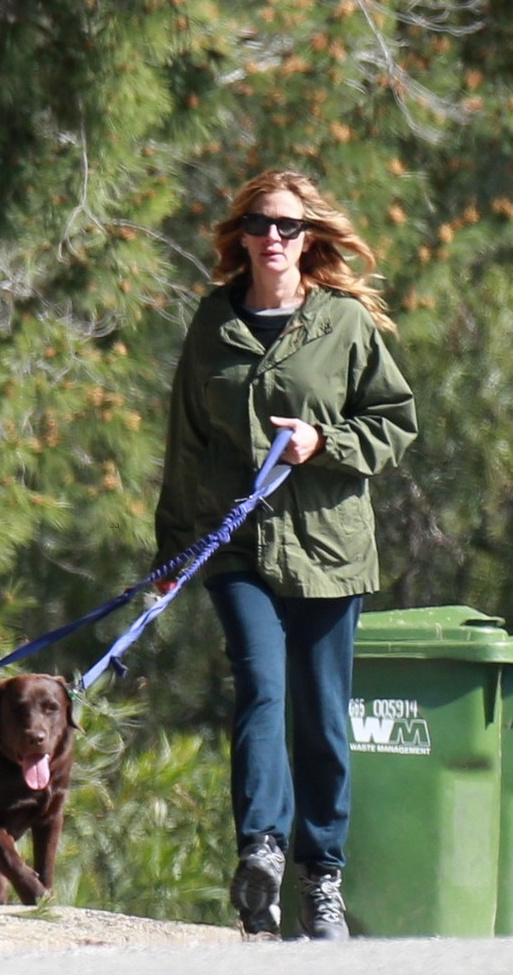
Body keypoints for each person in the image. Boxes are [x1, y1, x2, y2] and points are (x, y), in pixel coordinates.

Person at [152, 168, 417, 940]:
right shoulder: (212, 323)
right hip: (235, 548)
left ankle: (320, 877)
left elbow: (395, 423)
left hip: (330, 549)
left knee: (322, 719)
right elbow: (184, 442)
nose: (273, 237)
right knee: (261, 690)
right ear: (239, 235)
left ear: (309, 238)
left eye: (288, 226)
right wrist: (172, 553)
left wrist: (321, 441)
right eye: (260, 224)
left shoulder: (342, 323)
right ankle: (260, 851)